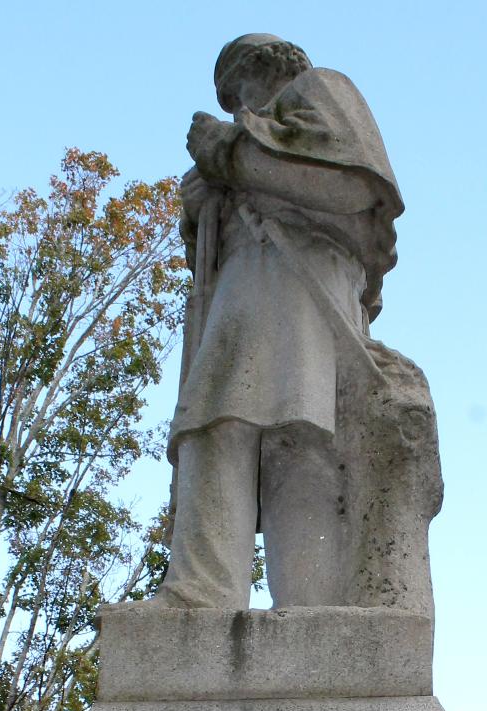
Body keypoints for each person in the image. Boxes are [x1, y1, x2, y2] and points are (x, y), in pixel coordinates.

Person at [155, 34, 404, 608]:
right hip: (248, 284)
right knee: (222, 424)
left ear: (261, 67)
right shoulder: (258, 133)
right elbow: (211, 254)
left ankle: (309, 601)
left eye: (237, 91)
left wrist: (232, 154)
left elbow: (351, 183)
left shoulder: (323, 90)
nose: (240, 108)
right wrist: (203, 209)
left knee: (295, 434)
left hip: (301, 285)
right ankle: (204, 591)